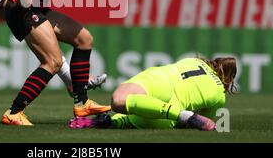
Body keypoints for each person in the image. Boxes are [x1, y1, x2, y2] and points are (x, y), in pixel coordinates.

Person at [0, 0, 114, 126]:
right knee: (53, 62)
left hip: (38, 8)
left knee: (84, 39)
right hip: (23, 10)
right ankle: (14, 112)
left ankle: (82, 103)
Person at [68, 56, 237, 131]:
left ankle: (106, 121)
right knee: (139, 117)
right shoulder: (219, 96)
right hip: (170, 112)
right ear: (228, 79)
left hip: (160, 78)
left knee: (119, 101)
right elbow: (205, 121)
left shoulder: (195, 61)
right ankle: (184, 115)